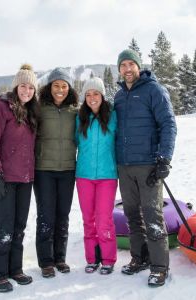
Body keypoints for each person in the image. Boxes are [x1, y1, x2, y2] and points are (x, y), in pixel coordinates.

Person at [113, 49, 177, 287]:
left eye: (131, 64)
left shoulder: (154, 90)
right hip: (125, 165)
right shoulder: (119, 96)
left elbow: (168, 124)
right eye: (123, 65)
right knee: (132, 215)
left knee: (152, 215)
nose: (127, 69)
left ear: (138, 66)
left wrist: (164, 158)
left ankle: (159, 266)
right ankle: (139, 258)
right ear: (119, 69)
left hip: (148, 164)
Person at [0, 64, 39, 293]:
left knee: (19, 226)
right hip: (3, 179)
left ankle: (15, 269)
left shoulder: (30, 112)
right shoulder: (0, 108)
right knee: (4, 227)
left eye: (31, 88)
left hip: (25, 179)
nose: (27, 91)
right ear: (16, 87)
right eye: (23, 86)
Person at [34, 67, 79, 278]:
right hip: (44, 170)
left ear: (69, 88)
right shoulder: (39, 108)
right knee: (46, 216)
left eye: (64, 86)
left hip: (68, 169)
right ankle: (46, 261)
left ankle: (60, 258)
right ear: (49, 87)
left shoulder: (75, 111)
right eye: (56, 85)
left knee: (63, 216)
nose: (60, 90)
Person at [75, 77, 118, 275]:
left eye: (96, 94)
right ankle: (92, 258)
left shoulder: (113, 116)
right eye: (88, 94)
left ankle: (108, 259)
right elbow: (74, 142)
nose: (92, 98)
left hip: (107, 176)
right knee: (88, 219)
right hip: (83, 175)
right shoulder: (79, 118)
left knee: (104, 219)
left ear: (102, 96)